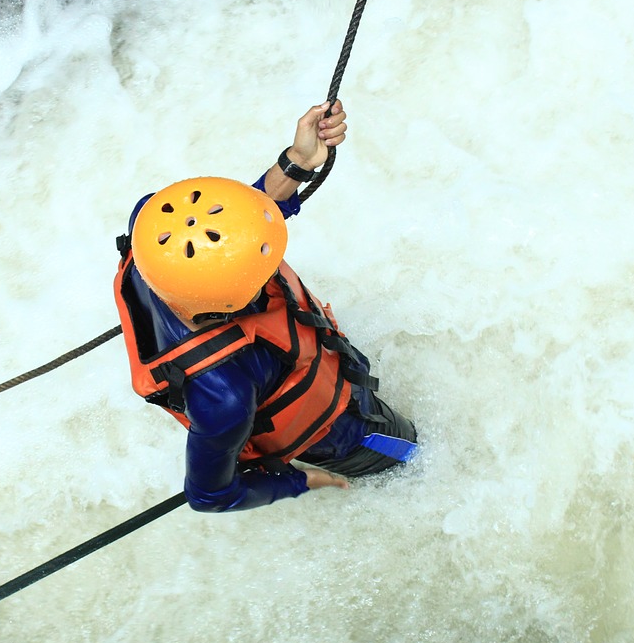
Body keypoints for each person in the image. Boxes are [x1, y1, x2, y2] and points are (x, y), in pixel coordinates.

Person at [114, 100, 417, 512]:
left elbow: (233, 221)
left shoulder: (152, 223)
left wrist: (298, 161)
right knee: (413, 456)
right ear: (234, 297)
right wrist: (299, 480)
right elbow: (209, 496)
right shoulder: (225, 397)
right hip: (342, 433)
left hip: (305, 371)